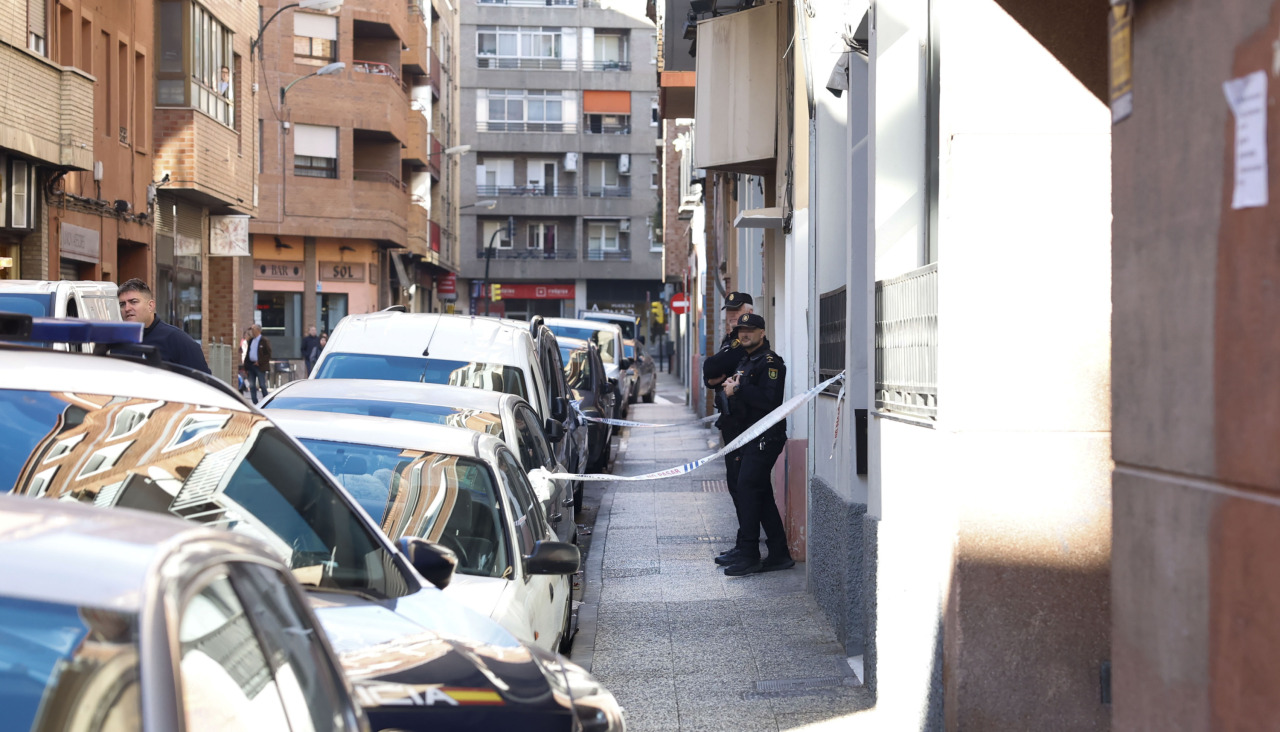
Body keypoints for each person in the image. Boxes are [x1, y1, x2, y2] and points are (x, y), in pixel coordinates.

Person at [719, 312, 793, 576]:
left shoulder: (771, 363)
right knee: (758, 493)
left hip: (765, 436)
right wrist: (729, 388)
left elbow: (769, 401)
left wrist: (738, 390)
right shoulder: (745, 361)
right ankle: (779, 553)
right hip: (746, 434)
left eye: (749, 330)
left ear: (762, 332)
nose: (744, 334)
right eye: (740, 331)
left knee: (748, 488)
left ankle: (750, 553)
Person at [701, 291, 754, 566]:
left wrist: (717, 372)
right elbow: (710, 375)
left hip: (743, 423)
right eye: (729, 312)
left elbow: (712, 365)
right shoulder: (730, 339)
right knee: (737, 485)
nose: (732, 316)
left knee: (743, 486)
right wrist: (716, 377)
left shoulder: (744, 340)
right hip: (730, 421)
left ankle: (748, 547)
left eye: (737, 311)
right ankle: (744, 544)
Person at [116, 279, 211, 373]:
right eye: (122, 304)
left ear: (151, 306)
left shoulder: (177, 341)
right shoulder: (117, 342)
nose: (127, 308)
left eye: (133, 302)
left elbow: (203, 383)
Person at [243, 324, 272, 402]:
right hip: (251, 365)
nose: (252, 331)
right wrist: (245, 366)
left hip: (260, 366)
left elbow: (268, 354)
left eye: (253, 329)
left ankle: (266, 401)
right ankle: (255, 402)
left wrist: (260, 362)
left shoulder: (264, 340)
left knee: (262, 384)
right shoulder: (251, 340)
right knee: (252, 385)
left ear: (258, 330)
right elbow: (248, 353)